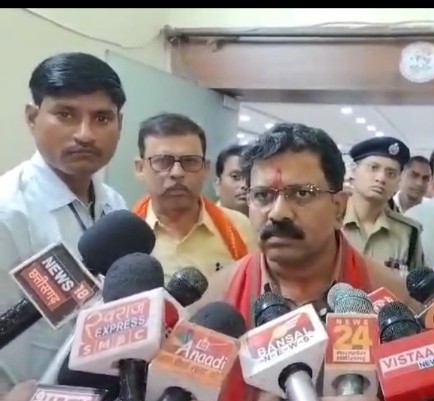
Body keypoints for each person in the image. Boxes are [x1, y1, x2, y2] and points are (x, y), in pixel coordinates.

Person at [210, 123, 418, 401]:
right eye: (263, 196)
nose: (278, 213)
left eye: (302, 194)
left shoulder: (396, 303)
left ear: (339, 208)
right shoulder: (213, 304)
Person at [0, 52, 127, 391]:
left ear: (120, 124)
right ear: (32, 118)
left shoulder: (114, 206)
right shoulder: (8, 211)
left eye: (102, 118)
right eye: (66, 115)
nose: (85, 134)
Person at [131, 113, 257, 308]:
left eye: (190, 161)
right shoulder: (124, 238)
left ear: (205, 168)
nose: (177, 173)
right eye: (163, 161)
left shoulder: (240, 228)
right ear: (140, 168)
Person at [342, 136, 424, 273]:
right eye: (373, 168)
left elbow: (416, 284)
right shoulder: (327, 222)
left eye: (391, 173)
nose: (381, 178)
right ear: (353, 171)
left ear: (398, 182)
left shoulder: (408, 234)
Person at [214, 143, 249, 215]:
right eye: (235, 177)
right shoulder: (203, 219)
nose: (244, 185)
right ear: (217, 185)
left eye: (250, 178)